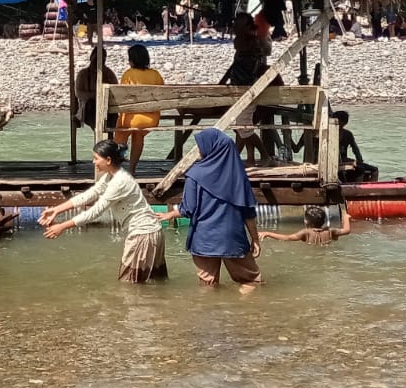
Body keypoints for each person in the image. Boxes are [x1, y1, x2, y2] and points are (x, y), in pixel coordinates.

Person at [39, 139, 173, 283]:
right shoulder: (113, 175)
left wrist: (62, 226)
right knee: (156, 284)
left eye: (96, 158)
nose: (93, 162)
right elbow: (90, 194)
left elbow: (95, 211)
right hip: (151, 233)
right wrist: (56, 210)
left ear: (108, 160)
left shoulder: (119, 182)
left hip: (143, 236)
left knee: (129, 286)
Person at [175, 127, 261, 290]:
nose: (199, 149)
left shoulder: (195, 174)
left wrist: (170, 214)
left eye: (201, 144)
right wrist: (255, 239)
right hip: (232, 239)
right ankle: (248, 312)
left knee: (208, 285)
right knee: (252, 281)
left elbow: (188, 209)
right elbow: (248, 212)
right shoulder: (238, 176)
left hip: (204, 240)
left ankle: (210, 311)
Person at [113, 45, 164, 172]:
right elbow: (163, 95)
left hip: (131, 119)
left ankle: (116, 166)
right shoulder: (155, 74)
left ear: (132, 60)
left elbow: (123, 97)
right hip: (150, 119)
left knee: (120, 134)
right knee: (138, 135)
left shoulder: (128, 74)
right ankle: (131, 169)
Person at [73, 42, 117, 136]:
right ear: (91, 58)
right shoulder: (83, 74)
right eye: (96, 58)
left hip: (107, 109)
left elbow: (115, 93)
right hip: (89, 110)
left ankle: (106, 138)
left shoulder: (109, 74)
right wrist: (97, 95)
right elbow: (79, 93)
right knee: (93, 106)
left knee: (110, 115)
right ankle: (101, 135)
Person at [262, 204, 353, 246]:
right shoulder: (330, 231)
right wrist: (346, 218)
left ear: (306, 221)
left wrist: (268, 233)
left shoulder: (306, 233)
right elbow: (347, 230)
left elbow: (287, 238)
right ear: (324, 221)